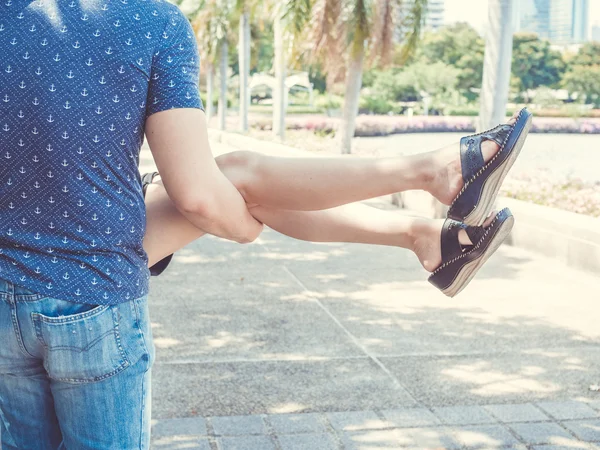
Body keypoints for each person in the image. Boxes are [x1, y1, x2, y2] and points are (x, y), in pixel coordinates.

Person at [0, 1, 530, 449]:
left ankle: (427, 225)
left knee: (239, 179)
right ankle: (433, 193)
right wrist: (240, 226)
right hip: (92, 281)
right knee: (240, 183)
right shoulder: (152, 20)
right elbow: (201, 199)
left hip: (10, 281)